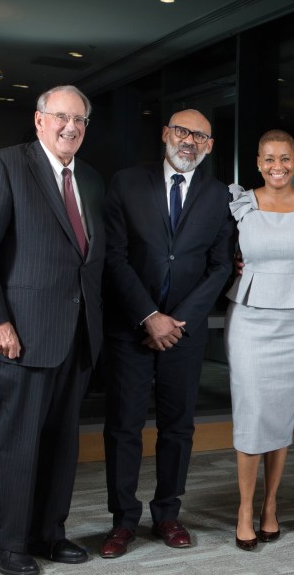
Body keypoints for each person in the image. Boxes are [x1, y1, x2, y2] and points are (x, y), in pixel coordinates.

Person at [0, 85, 104, 575]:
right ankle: (10, 545)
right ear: (40, 120)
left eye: (80, 120)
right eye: (62, 117)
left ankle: (49, 534)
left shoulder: (89, 177)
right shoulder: (4, 166)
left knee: (62, 445)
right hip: (20, 336)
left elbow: (88, 259)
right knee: (19, 445)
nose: (71, 127)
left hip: (76, 336)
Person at [100, 109, 234, 559]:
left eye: (200, 135)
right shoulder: (127, 183)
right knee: (124, 427)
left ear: (210, 146)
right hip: (131, 328)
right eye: (181, 131)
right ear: (165, 134)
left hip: (183, 333)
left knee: (178, 428)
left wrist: (177, 321)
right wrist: (149, 316)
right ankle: (123, 520)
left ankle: (167, 514)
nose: (189, 141)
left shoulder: (220, 195)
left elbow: (220, 266)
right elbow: (114, 256)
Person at [224, 129, 294, 551]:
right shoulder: (241, 203)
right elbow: (217, 252)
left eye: (285, 158)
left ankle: (270, 505)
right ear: (258, 162)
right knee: (251, 413)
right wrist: (231, 263)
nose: (277, 166)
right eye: (269, 158)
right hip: (249, 319)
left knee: (282, 414)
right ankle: (244, 508)